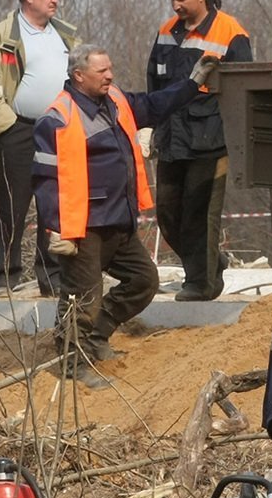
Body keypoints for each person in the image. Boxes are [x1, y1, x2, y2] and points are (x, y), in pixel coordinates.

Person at [33, 44, 209, 386]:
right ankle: (73, 363)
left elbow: (156, 105)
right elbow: (45, 180)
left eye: (110, 69)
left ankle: (97, 336)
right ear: (79, 75)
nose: (110, 75)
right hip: (83, 226)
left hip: (119, 219)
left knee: (144, 281)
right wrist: (56, 229)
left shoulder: (115, 101)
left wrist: (192, 83)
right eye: (102, 71)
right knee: (81, 297)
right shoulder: (59, 117)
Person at [146, 0, 253, 301]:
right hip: (172, 138)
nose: (176, 5)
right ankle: (209, 262)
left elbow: (243, 88)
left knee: (200, 211)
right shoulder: (167, 32)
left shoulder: (230, 32)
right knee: (168, 212)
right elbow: (154, 79)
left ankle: (202, 283)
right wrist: (150, 124)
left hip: (211, 138)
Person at [0, 0, 75, 296]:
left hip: (58, 131)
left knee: (53, 206)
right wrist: (9, 125)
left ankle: (52, 278)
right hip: (20, 130)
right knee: (12, 206)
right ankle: (2, 279)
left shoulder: (64, 34)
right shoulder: (3, 36)